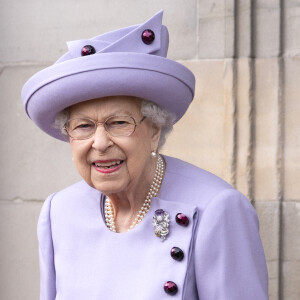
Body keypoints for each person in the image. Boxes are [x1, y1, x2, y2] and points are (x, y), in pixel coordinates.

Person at [22, 11, 268, 300]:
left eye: (119, 123)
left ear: (154, 130)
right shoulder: (59, 212)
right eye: (84, 126)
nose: (100, 143)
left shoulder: (217, 209)